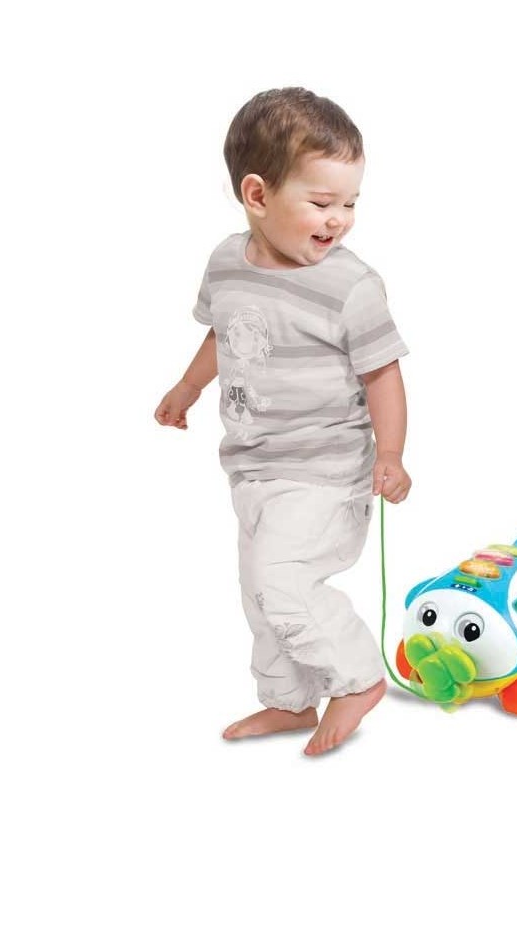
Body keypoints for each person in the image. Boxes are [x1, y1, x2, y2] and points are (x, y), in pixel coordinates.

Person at [154, 88, 411, 756]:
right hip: (253, 468)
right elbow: (224, 332)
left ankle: (356, 678)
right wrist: (187, 387)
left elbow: (382, 373)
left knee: (282, 580)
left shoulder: (351, 286)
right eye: (322, 203)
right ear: (257, 195)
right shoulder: (226, 263)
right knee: (259, 592)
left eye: (350, 203)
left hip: (326, 474)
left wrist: (391, 453)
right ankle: (288, 700)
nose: (340, 220)